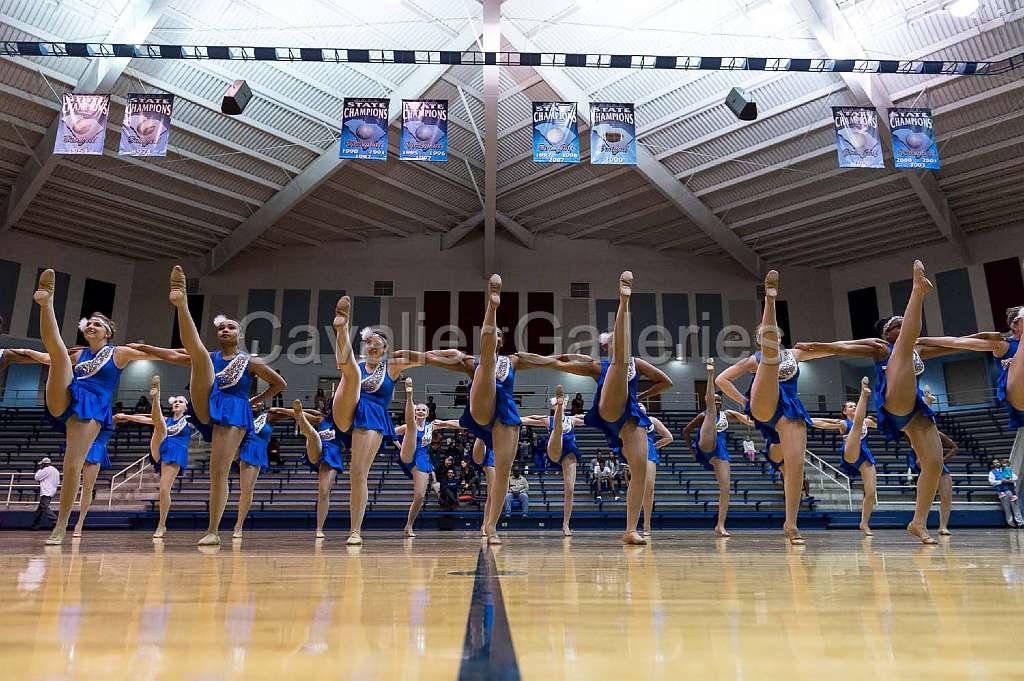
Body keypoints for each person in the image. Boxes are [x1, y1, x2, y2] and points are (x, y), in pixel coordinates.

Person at [396, 274, 598, 544]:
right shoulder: (470, 361)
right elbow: (431, 358)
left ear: (502, 341)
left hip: (505, 414)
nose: (497, 338)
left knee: (502, 471)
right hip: (480, 405)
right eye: (493, 335)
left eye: (498, 336)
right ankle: (492, 307)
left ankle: (490, 526)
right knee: (484, 365)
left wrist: (585, 365)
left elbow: (553, 361)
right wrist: (401, 358)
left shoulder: (514, 360)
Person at [134, 269, 287, 546]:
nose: (225, 330)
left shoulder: (249, 361)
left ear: (239, 334)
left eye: (230, 327)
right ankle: (181, 304)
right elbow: (173, 354)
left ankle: (214, 530)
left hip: (233, 412)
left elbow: (279, 384)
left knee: (218, 472)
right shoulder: (210, 357)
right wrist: (147, 349)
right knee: (197, 354)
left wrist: (254, 402)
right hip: (205, 404)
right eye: (221, 327)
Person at [805, 261, 955, 544]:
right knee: (905, 349)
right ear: (887, 334)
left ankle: (918, 523)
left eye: (903, 323)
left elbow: (953, 342)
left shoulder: (917, 347)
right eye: (896, 325)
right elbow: (845, 346)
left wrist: (992, 343)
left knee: (933, 464)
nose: (902, 326)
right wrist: (818, 347)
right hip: (893, 401)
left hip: (916, 409)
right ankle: (917, 290)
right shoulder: (881, 347)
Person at [717, 270, 862, 545]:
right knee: (768, 362)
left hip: (790, 408)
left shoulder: (795, 354)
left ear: (779, 336)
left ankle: (791, 524)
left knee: (796, 466)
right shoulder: (754, 358)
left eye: (769, 334)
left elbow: (834, 349)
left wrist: (862, 346)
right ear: (759, 339)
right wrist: (743, 403)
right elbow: (723, 380)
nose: (766, 338)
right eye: (762, 335)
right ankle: (770, 300)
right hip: (763, 402)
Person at [30, 269, 162, 545]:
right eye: (88, 323)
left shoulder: (118, 352)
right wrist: (9, 353)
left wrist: (196, 357)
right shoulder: (77, 353)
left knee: (72, 467)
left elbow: (161, 354)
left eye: (97, 325)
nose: (90, 326)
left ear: (108, 333)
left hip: (92, 408)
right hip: (67, 398)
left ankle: (63, 525)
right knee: (57, 354)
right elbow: (43, 355)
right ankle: (46, 303)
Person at [565, 271, 674, 544]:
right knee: (638, 473)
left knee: (640, 474)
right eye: (614, 338)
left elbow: (666, 381)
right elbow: (565, 362)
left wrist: (643, 395)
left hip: (630, 416)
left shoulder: (636, 362)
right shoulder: (599, 365)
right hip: (606, 411)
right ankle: (624, 302)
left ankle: (631, 529)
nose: (618, 340)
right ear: (608, 344)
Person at [326, 300, 427, 546]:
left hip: (370, 417)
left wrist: (448, 358)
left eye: (376, 342)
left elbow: (423, 359)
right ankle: (341, 328)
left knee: (357, 473)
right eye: (368, 342)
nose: (371, 345)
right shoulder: (357, 366)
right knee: (349, 372)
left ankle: (355, 530)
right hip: (345, 409)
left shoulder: (391, 367)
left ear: (384, 348)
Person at [113, 376, 199, 539]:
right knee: (158, 426)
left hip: (175, 452)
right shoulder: (166, 420)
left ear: (186, 407)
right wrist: (125, 416)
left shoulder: (189, 421)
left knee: (164, 489)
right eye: (175, 402)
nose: (177, 403)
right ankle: (156, 398)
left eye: (180, 402)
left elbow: (206, 418)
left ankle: (162, 524)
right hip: (160, 447)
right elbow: (144, 419)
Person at [915, 305, 1024, 434]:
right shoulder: (1003, 345)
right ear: (1015, 325)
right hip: (1016, 394)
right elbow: (957, 342)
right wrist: (920, 339)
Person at [681, 361, 753, 538]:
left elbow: (748, 420)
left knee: (726, 489)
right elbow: (686, 431)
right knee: (710, 412)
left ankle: (720, 525)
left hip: (720, 449)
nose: (718, 402)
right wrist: (693, 451)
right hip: (704, 442)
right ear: (709, 399)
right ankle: (710, 376)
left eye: (720, 400)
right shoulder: (703, 414)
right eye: (715, 400)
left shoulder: (728, 414)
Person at [394, 378, 462, 538]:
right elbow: (389, 433)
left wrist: (470, 424)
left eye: (423, 410)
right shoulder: (407, 425)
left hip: (421, 458)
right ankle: (408, 396)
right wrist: (398, 446)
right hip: (407, 453)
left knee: (419, 496)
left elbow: (452, 424)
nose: (421, 412)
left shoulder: (432, 425)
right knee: (410, 427)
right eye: (418, 409)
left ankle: (408, 526)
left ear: (427, 413)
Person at [810, 377, 878, 536]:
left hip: (865, 456)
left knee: (871, 492)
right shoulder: (842, 423)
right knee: (855, 429)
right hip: (850, 453)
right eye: (850, 406)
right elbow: (820, 423)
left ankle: (864, 523)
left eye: (855, 405)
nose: (853, 407)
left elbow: (885, 425)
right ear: (844, 411)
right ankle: (864, 394)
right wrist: (805, 418)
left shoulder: (867, 422)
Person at [520, 385, 585, 536]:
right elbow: (526, 419)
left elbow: (590, 420)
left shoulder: (573, 419)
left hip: (569, 451)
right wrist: (510, 418)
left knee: (570, 489)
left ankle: (566, 524)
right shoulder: (546, 420)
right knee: (557, 430)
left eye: (561, 403)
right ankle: (558, 414)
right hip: (554, 448)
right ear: (554, 404)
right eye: (557, 403)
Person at [281, 400, 345, 539]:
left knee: (323, 491)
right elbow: (294, 413)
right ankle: (301, 418)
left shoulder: (345, 424)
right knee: (313, 435)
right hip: (316, 450)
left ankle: (319, 528)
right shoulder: (320, 419)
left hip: (331, 456)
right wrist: (280, 409)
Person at [637, 403, 673, 537]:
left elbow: (669, 437)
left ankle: (646, 523)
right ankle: (632, 524)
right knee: (636, 489)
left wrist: (654, 446)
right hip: (633, 453)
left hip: (649, 453)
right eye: (637, 404)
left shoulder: (652, 420)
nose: (640, 405)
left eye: (642, 404)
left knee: (649, 488)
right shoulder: (630, 421)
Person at [989, 459, 1023, 527]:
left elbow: (1015, 477)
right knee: (1007, 508)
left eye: (997, 462)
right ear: (993, 465)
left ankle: (1020, 523)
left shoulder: (1006, 469)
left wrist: (1009, 480)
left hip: (1010, 490)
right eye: (995, 463)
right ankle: (1010, 523)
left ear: (1000, 463)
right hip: (1002, 492)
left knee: (1015, 506)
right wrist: (1001, 481)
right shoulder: (992, 472)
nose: (997, 464)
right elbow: (992, 482)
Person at [30, 457, 60, 531]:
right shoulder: (55, 470)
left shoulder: (46, 470)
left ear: (44, 464)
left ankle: (56, 521)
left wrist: (40, 469)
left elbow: (37, 477)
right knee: (40, 510)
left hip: (46, 491)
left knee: (44, 507)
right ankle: (35, 525)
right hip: (52, 490)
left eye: (42, 464)